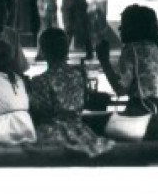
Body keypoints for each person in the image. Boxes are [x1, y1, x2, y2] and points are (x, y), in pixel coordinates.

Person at [95, 3, 158, 141]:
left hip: (146, 119)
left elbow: (121, 89)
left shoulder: (132, 50)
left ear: (133, 27)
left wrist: (104, 61)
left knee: (95, 130)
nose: (120, 28)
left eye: (123, 24)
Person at [29, 28, 114, 157]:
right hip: (80, 130)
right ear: (66, 50)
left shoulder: (40, 80)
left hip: (51, 131)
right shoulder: (79, 74)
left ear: (43, 52)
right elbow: (83, 102)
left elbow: (40, 111)